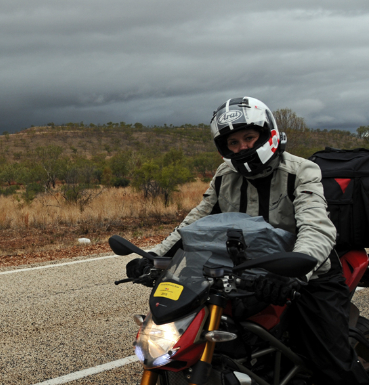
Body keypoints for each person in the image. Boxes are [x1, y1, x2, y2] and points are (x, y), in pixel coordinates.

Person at [126, 96, 368, 384]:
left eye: (249, 138)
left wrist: (295, 273)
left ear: (268, 134)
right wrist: (153, 257)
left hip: (304, 276)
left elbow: (318, 229)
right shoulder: (225, 175)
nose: (243, 148)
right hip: (242, 274)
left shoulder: (300, 171)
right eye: (234, 143)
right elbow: (195, 221)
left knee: (331, 362)